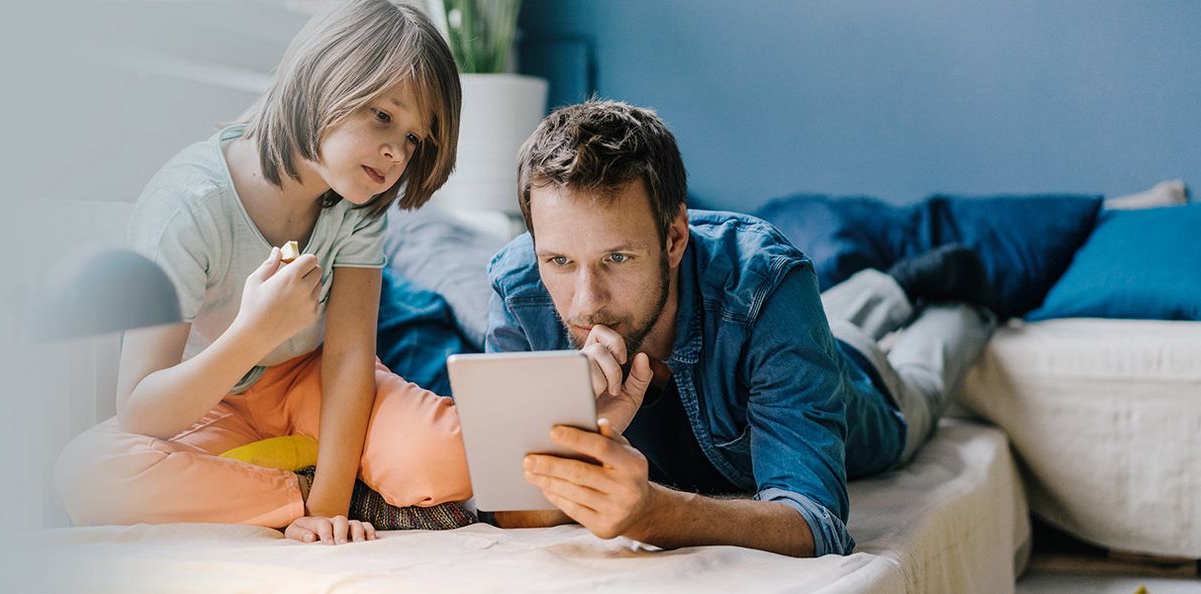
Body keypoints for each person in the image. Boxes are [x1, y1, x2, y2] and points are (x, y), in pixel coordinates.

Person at [484, 99, 996, 557]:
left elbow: (817, 522)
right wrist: (579, 430)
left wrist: (652, 514)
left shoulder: (767, 283)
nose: (586, 302)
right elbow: (509, 508)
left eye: (617, 258)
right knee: (824, 320)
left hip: (862, 386)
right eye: (559, 260)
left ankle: (961, 306)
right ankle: (896, 285)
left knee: (923, 374)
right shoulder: (519, 289)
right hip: (793, 335)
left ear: (674, 237)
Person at [52, 0, 471, 545]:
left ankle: (321, 482)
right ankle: (314, 492)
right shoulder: (187, 205)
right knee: (89, 476)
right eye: (384, 116)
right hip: (214, 402)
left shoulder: (359, 203)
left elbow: (348, 358)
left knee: (459, 457)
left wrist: (330, 506)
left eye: (415, 138)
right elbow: (140, 410)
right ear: (323, 79)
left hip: (312, 386)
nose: (396, 152)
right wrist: (255, 334)